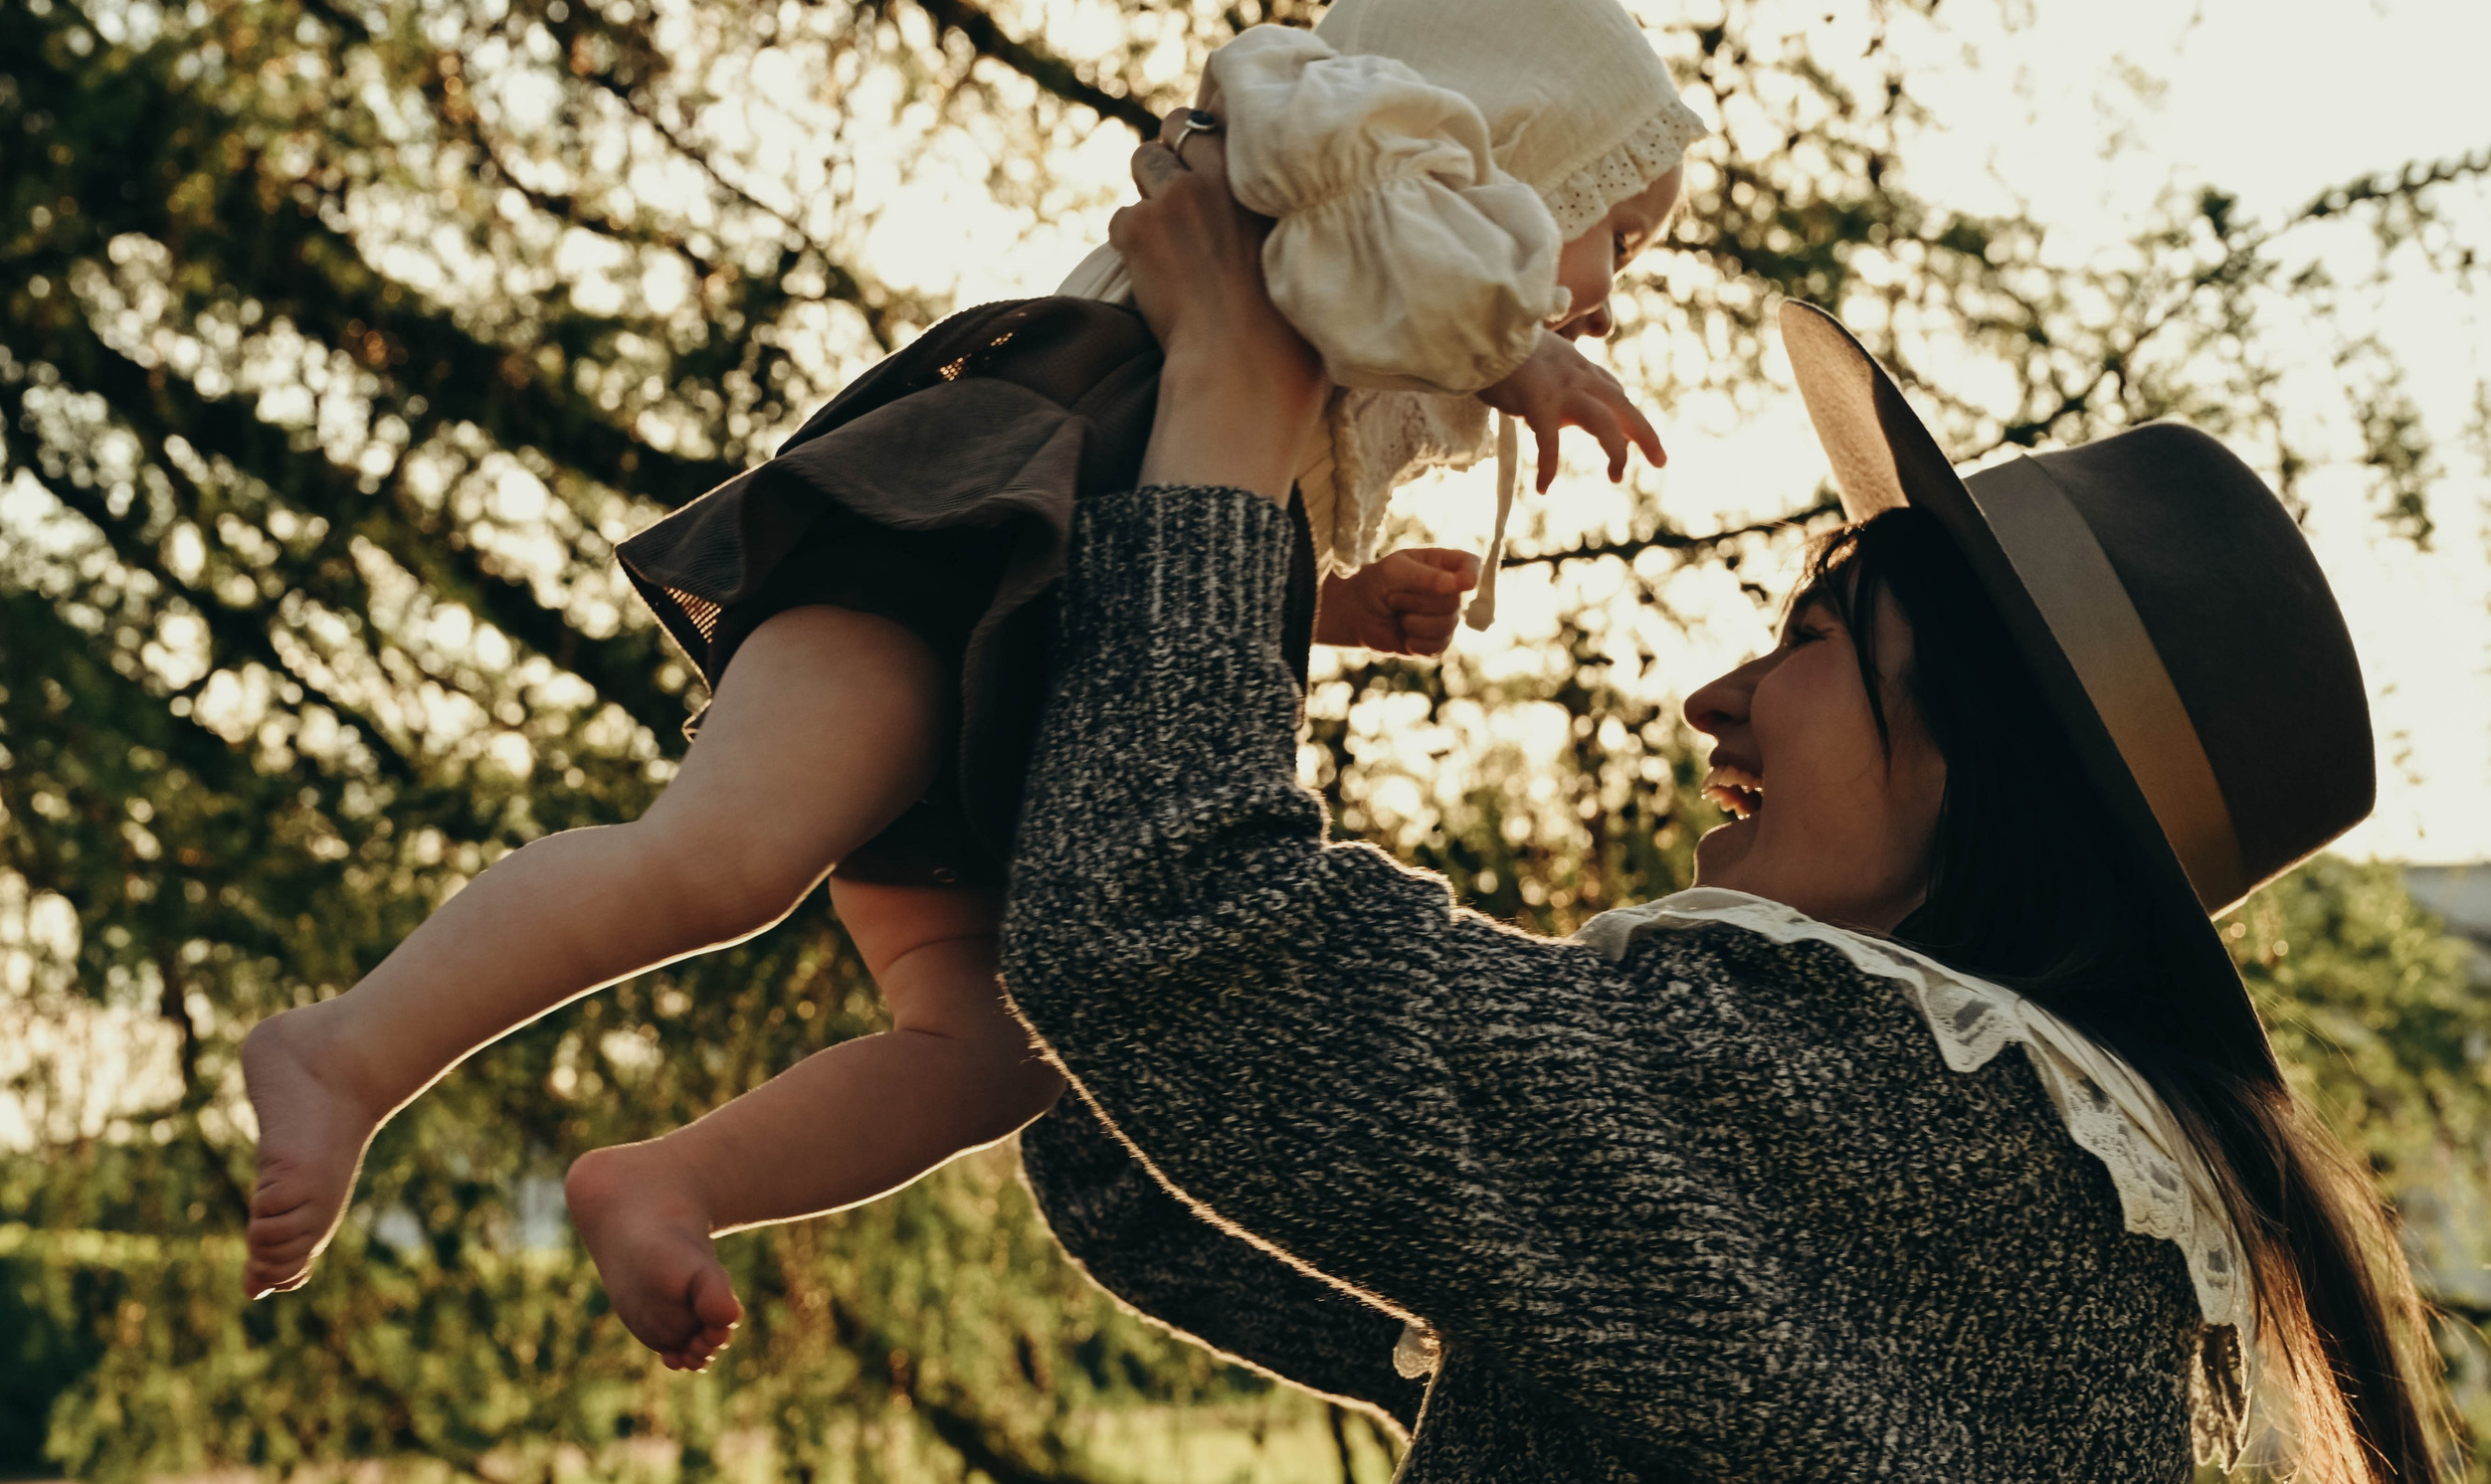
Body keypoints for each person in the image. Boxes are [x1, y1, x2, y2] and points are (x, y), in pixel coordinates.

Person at [996, 106, 2470, 1484]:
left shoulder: (1879, 1113)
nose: (1719, 701)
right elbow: (1162, 1167)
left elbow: (1177, 949)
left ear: (1990, 777)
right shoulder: (1990, 1188)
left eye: (1813, 641)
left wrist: (1228, 391)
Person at [232, 0, 1705, 1375]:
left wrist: (1328, 608)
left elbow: (1159, 555)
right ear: (1525, 138)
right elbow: (1364, 236)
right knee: (726, 857)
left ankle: (677, 1178)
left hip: (1032, 679)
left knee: (996, 1052)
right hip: (945, 558)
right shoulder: (1343, 149)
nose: (1611, 302)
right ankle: (346, 1051)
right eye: (1619, 239)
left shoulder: (1336, 331)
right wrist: (1518, 355)